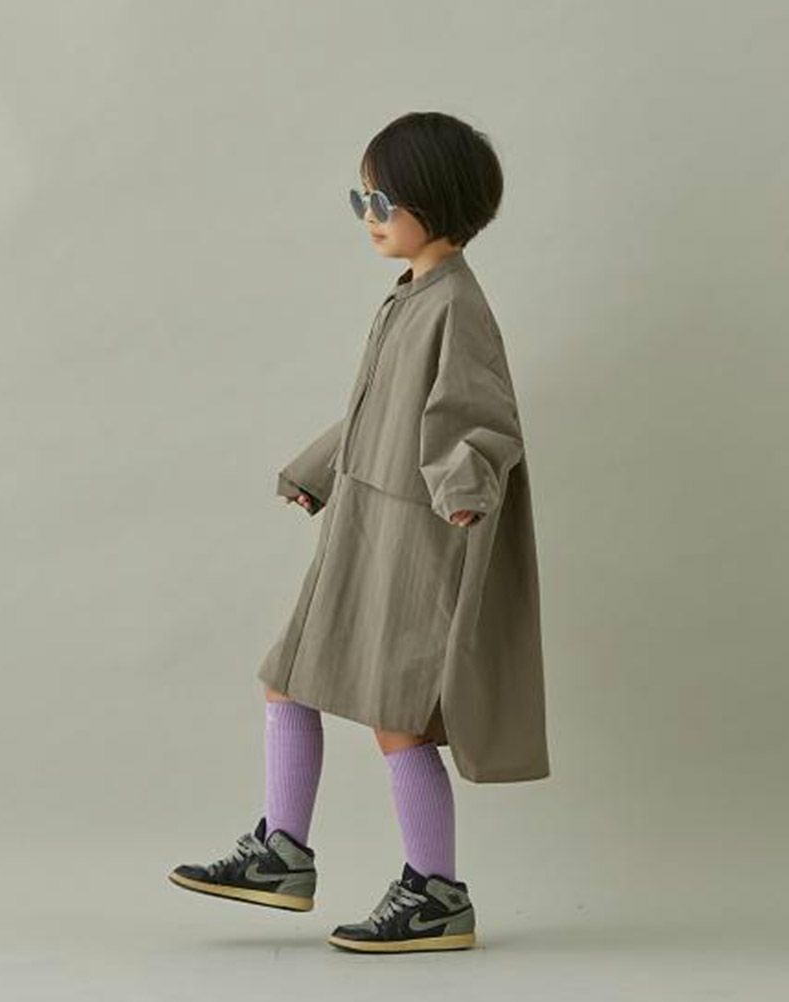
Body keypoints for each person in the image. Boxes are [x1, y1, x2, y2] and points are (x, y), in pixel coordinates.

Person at [169, 111, 550, 954]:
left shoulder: (458, 306)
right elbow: (377, 412)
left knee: (397, 714)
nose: (368, 215)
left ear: (434, 202)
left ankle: (436, 893)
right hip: (365, 523)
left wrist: (463, 490)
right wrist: (315, 470)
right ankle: (281, 853)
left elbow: (483, 415)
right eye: (361, 199)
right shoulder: (411, 297)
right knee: (289, 678)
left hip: (415, 537)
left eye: (381, 200)